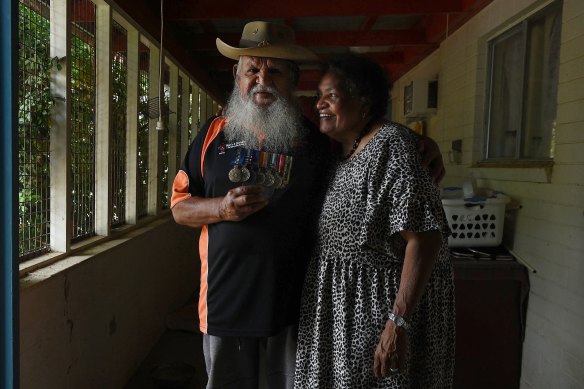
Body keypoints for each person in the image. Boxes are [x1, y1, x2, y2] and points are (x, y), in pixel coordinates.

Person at [170, 21, 445, 389]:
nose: (262, 79)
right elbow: (179, 208)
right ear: (237, 76)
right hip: (224, 307)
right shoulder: (210, 136)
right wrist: (222, 209)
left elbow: (364, 143)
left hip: (297, 311)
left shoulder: (318, 143)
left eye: (276, 70)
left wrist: (412, 139)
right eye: (252, 69)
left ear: (293, 79)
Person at [294, 54, 455, 389]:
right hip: (340, 312)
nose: (320, 104)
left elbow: (424, 238)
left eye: (332, 96)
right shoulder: (339, 151)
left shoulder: (393, 146)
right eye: (318, 95)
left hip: (377, 311)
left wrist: (398, 323)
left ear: (364, 102)